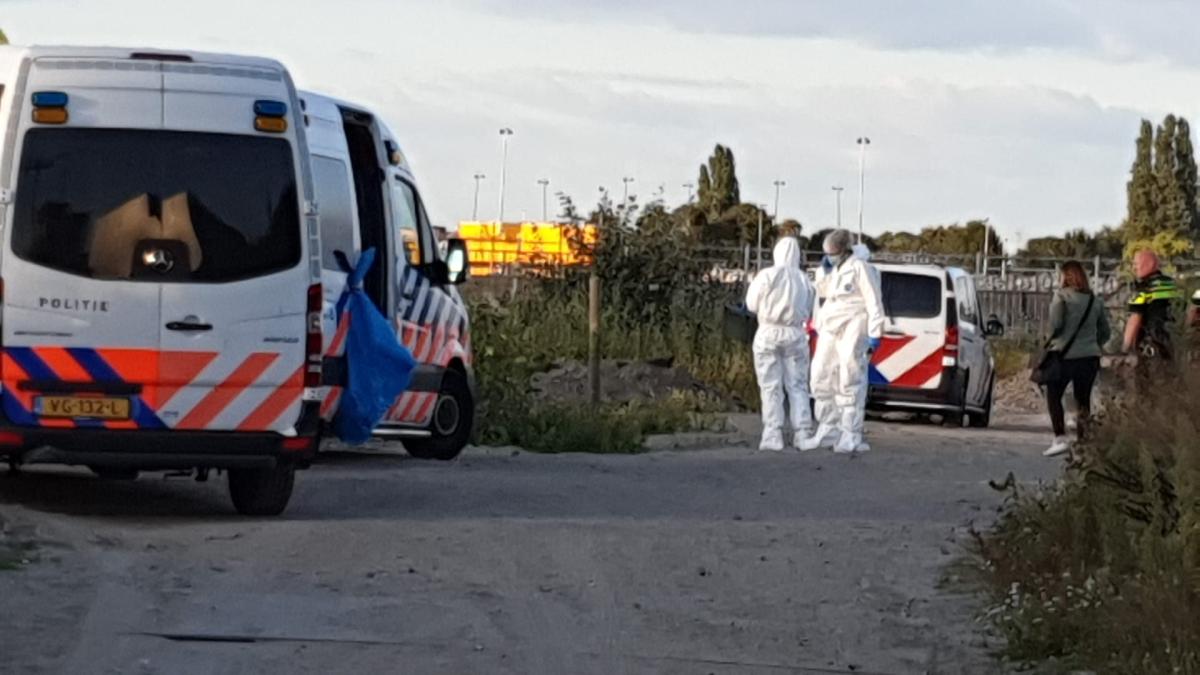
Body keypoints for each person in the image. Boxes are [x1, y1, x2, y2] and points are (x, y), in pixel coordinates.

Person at [800, 230, 885, 454]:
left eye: (833, 253)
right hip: (830, 325)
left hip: (854, 323)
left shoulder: (861, 268)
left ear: (845, 250)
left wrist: (875, 333)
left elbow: (874, 301)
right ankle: (828, 428)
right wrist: (824, 272)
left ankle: (850, 433)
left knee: (850, 377)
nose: (830, 256)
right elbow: (823, 291)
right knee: (820, 375)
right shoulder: (834, 269)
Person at [745, 237, 815, 451]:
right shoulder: (804, 279)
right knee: (798, 385)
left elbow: (751, 304)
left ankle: (772, 433)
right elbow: (810, 308)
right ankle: (802, 433)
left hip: (768, 331)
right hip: (795, 332)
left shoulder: (766, 275)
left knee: (770, 385)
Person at [1043, 261, 1111, 458]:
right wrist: (1093, 344)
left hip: (1064, 356)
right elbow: (1105, 331)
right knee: (1083, 399)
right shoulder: (1095, 301)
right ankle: (1084, 443)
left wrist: (1048, 341)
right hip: (1089, 358)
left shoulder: (1061, 296)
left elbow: (1056, 324)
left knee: (1054, 394)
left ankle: (1060, 438)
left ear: (1065, 276)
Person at [1122, 249, 1181, 385]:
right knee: (1171, 380)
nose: (1134, 268)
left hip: (1150, 344)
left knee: (1144, 383)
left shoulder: (1145, 288)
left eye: (1136, 264)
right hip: (1172, 342)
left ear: (1148, 264)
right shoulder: (1171, 284)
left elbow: (1135, 318)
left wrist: (1125, 349)